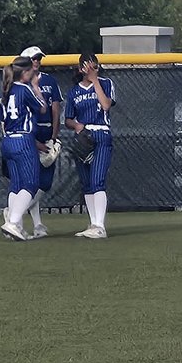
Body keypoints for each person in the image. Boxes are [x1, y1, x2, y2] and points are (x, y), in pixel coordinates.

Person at [63, 52, 116, 238]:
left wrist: (95, 80)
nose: (92, 69)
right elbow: (67, 119)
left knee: (97, 180)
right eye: (88, 66)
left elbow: (106, 105)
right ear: (80, 69)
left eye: (95, 66)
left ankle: (100, 226)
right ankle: (93, 223)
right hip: (83, 136)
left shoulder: (106, 83)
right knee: (86, 183)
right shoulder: (74, 92)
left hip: (101, 134)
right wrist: (77, 126)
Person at [0, 55, 46, 241]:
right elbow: (42, 108)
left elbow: (3, 120)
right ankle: (13, 221)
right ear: (25, 73)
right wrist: (36, 86)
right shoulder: (24, 88)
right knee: (31, 183)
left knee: (16, 184)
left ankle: (15, 225)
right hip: (23, 140)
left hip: (8, 141)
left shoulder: (5, 91)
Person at [19, 45, 62, 239]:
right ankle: (18, 216)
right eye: (34, 58)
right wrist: (34, 141)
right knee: (34, 182)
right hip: (30, 135)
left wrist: (54, 137)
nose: (37, 61)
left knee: (43, 183)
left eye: (39, 59)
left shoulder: (49, 81)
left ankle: (31, 221)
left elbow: (55, 110)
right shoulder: (22, 84)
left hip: (46, 134)